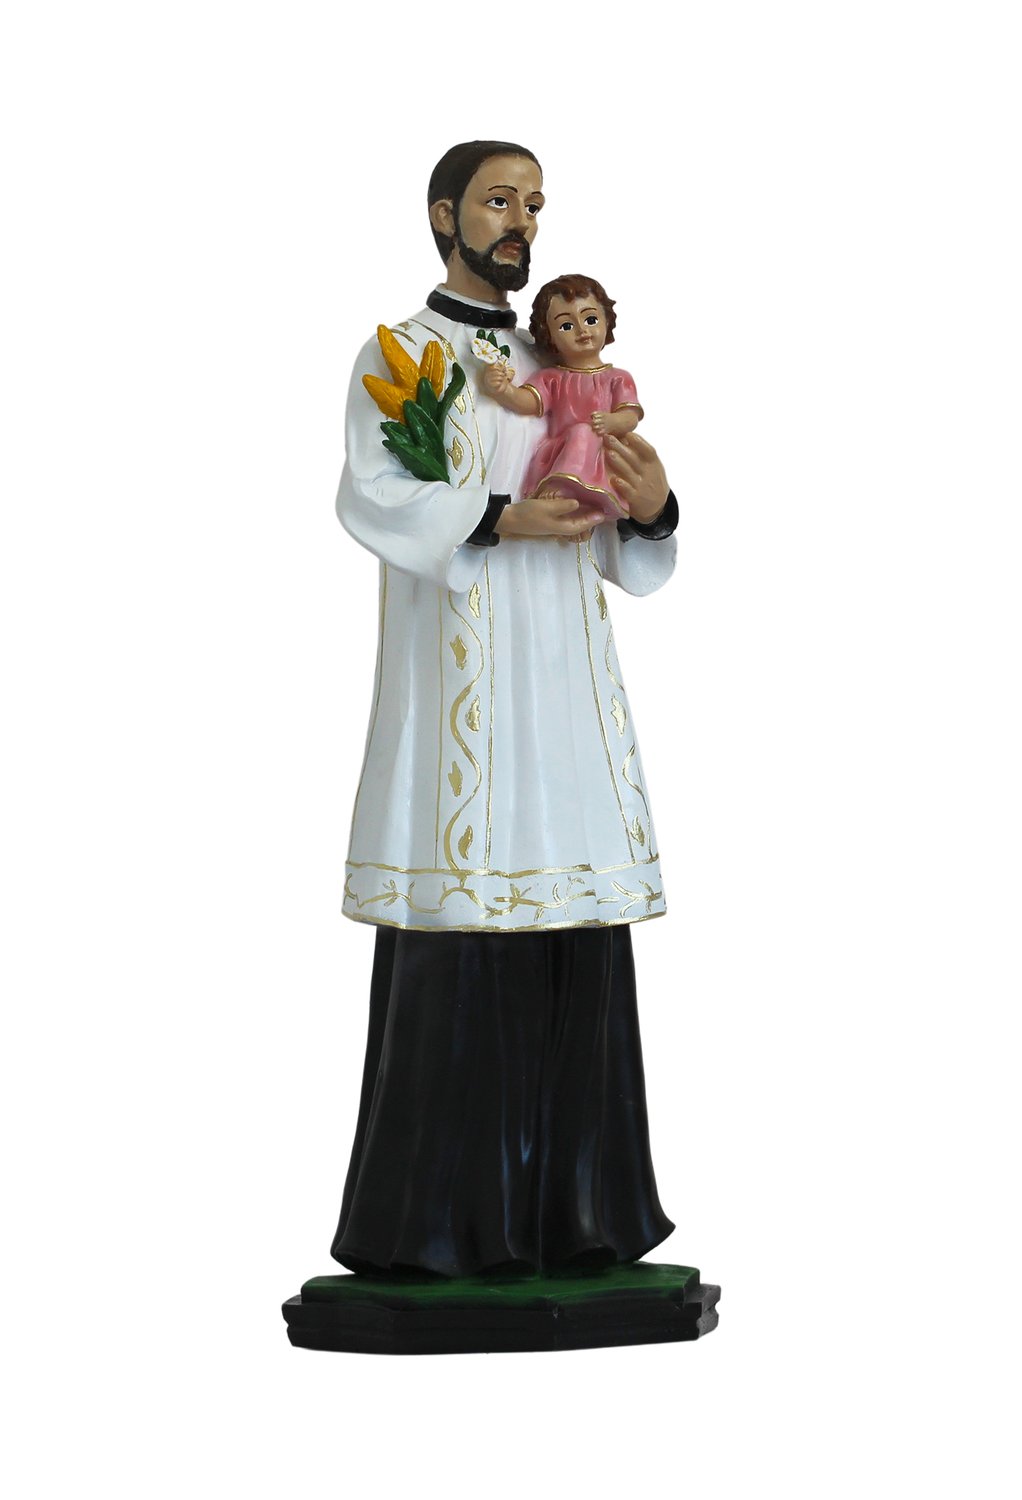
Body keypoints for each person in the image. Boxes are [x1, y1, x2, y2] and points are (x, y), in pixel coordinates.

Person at [331, 141, 683, 1279]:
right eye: (497, 200)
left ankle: (581, 1216)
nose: (520, 220)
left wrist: (652, 505)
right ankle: (442, 1230)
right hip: (464, 678)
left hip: (563, 678)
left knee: (571, 919)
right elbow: (374, 493)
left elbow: (620, 542)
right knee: (461, 918)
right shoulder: (405, 355)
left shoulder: (562, 365)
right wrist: (492, 517)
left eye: (532, 202)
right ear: (446, 216)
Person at [480, 273, 642, 520]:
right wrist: (504, 390)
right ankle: (563, 485)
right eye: (566, 326)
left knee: (585, 433)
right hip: (561, 454)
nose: (582, 330)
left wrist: (613, 421)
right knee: (581, 432)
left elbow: (630, 416)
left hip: (601, 458)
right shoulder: (552, 378)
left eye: (590, 319)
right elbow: (528, 403)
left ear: (607, 320)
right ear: (549, 336)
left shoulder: (618, 378)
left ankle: (581, 498)